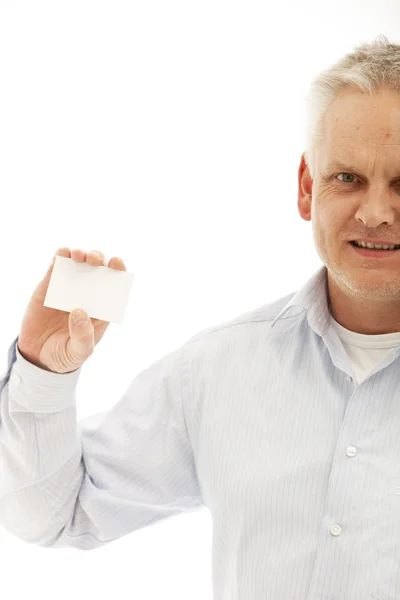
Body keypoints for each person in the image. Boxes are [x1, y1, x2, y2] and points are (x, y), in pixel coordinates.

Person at [0, 34, 399, 600]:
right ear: (308, 189)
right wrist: (43, 372)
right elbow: (53, 514)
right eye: (348, 178)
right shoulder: (218, 370)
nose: (377, 212)